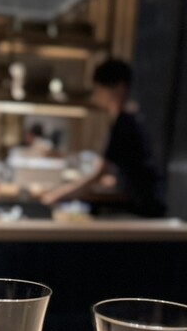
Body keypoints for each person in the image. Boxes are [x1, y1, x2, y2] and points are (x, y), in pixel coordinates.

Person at [42, 59, 165, 217]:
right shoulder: (130, 119)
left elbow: (100, 173)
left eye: (99, 88)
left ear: (120, 88)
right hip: (147, 203)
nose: (96, 94)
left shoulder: (124, 124)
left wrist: (59, 194)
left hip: (142, 208)